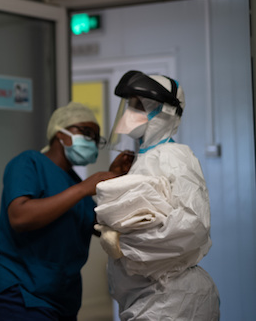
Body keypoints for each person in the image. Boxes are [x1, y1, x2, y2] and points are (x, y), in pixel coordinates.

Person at [0, 101, 134, 320]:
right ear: (60, 133)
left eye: (96, 137)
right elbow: (20, 216)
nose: (91, 141)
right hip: (21, 292)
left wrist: (112, 185)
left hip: (62, 299)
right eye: (85, 132)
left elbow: (103, 227)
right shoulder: (29, 162)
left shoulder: (74, 184)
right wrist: (84, 188)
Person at [93, 70, 220, 320]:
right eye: (128, 104)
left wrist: (123, 244)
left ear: (165, 111)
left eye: (138, 105)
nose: (130, 112)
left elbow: (192, 226)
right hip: (148, 298)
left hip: (172, 299)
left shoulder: (174, 157)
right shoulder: (145, 158)